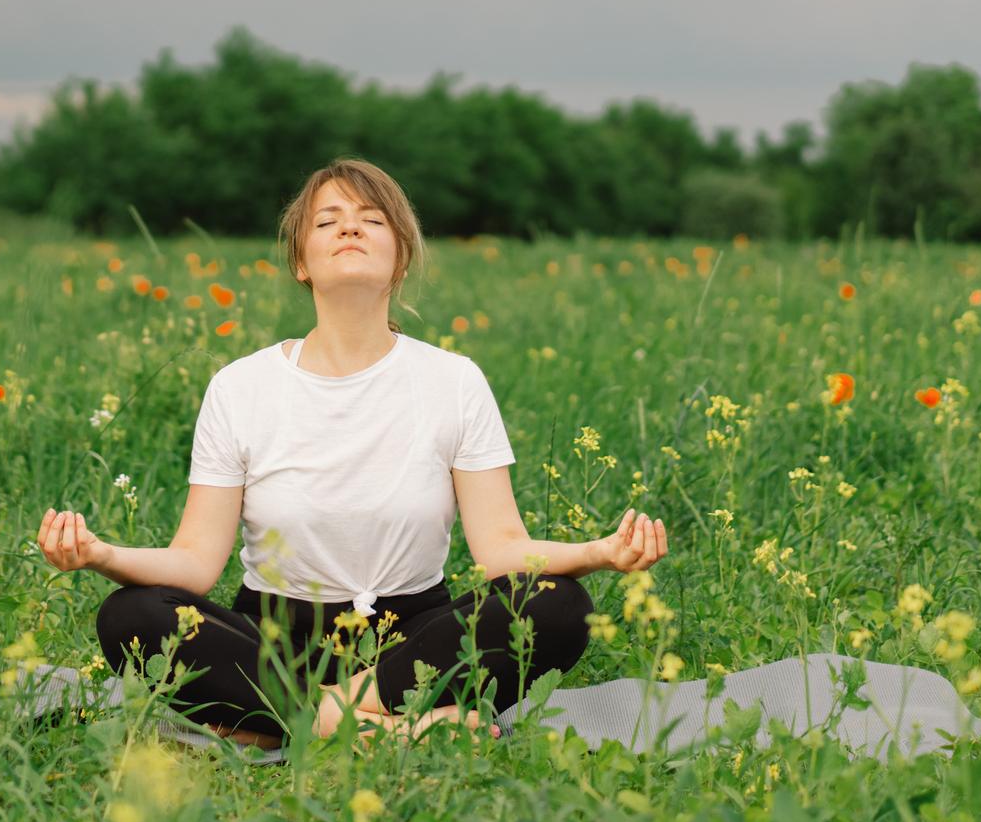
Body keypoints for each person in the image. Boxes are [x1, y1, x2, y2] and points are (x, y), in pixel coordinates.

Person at [35, 157, 668, 748]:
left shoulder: (454, 380)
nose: (350, 231)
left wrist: (600, 555)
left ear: (400, 260)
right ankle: (400, 726)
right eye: (328, 221)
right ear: (301, 262)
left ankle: (302, 720)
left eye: (372, 221)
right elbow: (195, 564)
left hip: (414, 640)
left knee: (558, 604)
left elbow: (503, 550)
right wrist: (101, 555)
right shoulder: (241, 386)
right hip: (276, 641)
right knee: (131, 614)